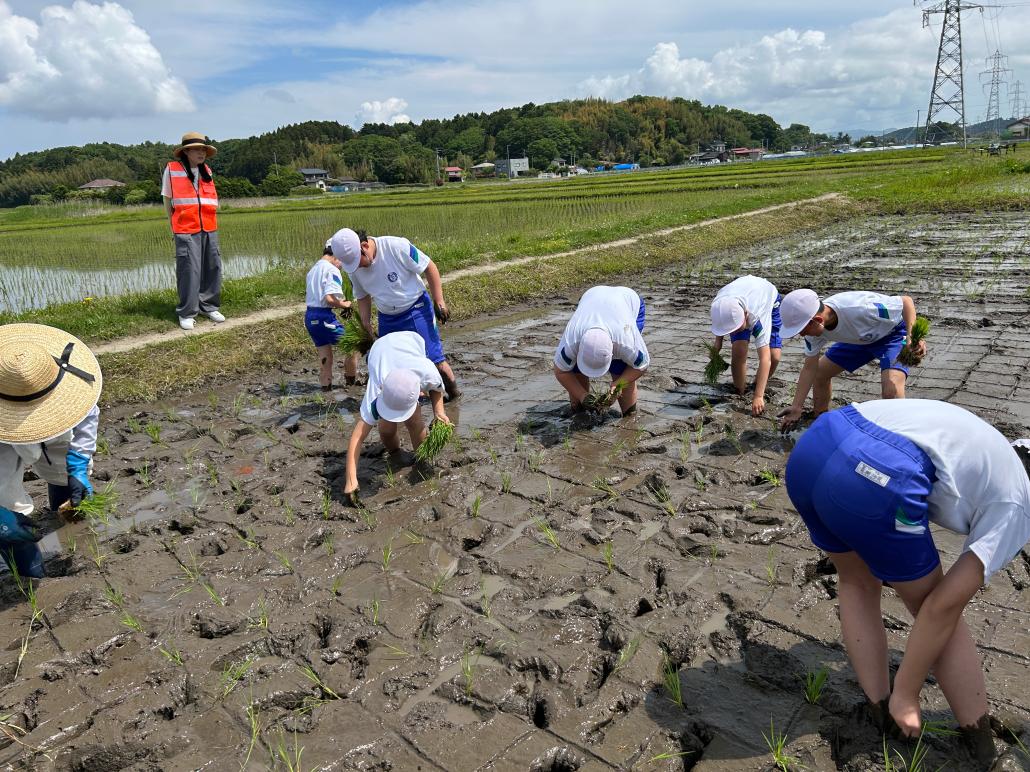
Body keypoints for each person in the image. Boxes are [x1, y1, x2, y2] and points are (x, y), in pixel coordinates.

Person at [785, 399, 1030, 763]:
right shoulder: (1018, 502)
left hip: (815, 445)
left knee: (856, 583)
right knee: (935, 607)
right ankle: (980, 747)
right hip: (875, 473)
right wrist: (908, 690)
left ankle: (879, 711)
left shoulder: (989, 445)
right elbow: (942, 607)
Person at [0, 324, 102, 579]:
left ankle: (66, 515)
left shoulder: (63, 382)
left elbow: (87, 417)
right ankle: (26, 571)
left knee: (62, 465)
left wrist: (78, 465)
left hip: (52, 421)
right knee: (6, 501)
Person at [329, 228, 459, 400]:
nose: (357, 266)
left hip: (416, 309)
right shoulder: (353, 269)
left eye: (357, 260)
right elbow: (362, 296)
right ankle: (413, 402)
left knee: (433, 360)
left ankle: (454, 396)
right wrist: (366, 324)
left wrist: (439, 301)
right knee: (393, 365)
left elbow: (429, 267)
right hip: (387, 318)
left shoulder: (396, 246)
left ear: (365, 246)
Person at [777, 289, 926, 430]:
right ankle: (820, 418)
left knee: (891, 392)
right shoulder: (812, 331)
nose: (802, 335)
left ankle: (900, 433)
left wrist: (911, 337)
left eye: (802, 330)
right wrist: (796, 406)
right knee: (820, 373)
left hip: (891, 334)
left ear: (817, 320)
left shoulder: (860, 308)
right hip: (859, 340)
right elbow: (810, 368)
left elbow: (906, 302)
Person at [342, 331, 451, 506]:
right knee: (386, 430)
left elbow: (436, 389)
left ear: (418, 393)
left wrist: (439, 412)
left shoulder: (427, 371)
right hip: (380, 352)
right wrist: (350, 479)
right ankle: (395, 453)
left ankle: (422, 458)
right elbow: (357, 438)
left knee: (414, 422)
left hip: (411, 342)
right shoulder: (375, 391)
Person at [553, 285, 649, 417]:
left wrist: (619, 384)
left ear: (613, 350)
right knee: (574, 369)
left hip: (627, 301)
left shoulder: (626, 343)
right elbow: (561, 371)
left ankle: (629, 417)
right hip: (590, 297)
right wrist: (582, 395)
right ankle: (579, 413)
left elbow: (640, 366)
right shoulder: (572, 342)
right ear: (579, 349)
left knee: (620, 368)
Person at [162, 132, 223, 331]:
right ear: (186, 151)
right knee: (189, 270)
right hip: (184, 228)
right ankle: (187, 312)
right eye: (197, 149)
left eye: (203, 149)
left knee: (212, 267)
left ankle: (209, 306)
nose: (201, 152)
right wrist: (172, 227)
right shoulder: (172, 170)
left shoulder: (207, 170)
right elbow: (167, 200)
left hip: (209, 226)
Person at [709, 275, 782, 416]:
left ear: (745, 315)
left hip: (768, 298)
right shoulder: (718, 306)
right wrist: (717, 345)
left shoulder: (757, 316)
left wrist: (758, 396)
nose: (734, 332)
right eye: (731, 330)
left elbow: (765, 358)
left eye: (736, 328)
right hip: (737, 298)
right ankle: (740, 392)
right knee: (739, 351)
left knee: (774, 356)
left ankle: (756, 386)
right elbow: (721, 325)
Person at [305, 238, 359, 391]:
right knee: (353, 345)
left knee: (325, 356)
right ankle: (351, 383)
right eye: (342, 261)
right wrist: (345, 304)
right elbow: (329, 299)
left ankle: (326, 389)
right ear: (336, 255)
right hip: (324, 318)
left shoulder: (313, 269)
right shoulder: (332, 269)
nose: (342, 266)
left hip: (310, 317)